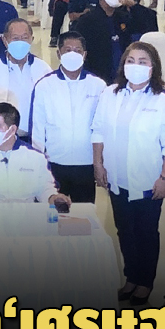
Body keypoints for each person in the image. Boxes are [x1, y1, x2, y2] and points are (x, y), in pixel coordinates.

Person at [92, 41, 165, 305]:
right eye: (131, 60)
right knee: (124, 229)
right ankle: (131, 277)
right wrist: (98, 164)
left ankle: (145, 282)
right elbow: (98, 130)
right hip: (116, 177)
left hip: (148, 180)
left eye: (143, 61)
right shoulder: (110, 94)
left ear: (153, 67)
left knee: (146, 232)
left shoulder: (163, 100)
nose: (136, 66)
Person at [31, 31, 106, 204]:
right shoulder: (44, 85)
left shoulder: (98, 85)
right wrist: (38, 163)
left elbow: (102, 127)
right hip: (54, 162)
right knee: (52, 213)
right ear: (58, 53)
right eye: (67, 50)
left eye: (78, 51)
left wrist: (100, 162)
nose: (73, 54)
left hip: (86, 163)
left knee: (84, 214)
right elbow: (38, 127)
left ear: (84, 55)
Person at [0, 101, 69, 204]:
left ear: (13, 129)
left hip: (24, 216)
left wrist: (53, 198)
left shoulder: (35, 157)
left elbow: (46, 189)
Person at [0, 17, 51, 145]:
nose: (20, 42)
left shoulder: (43, 70)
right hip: (0, 140)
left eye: (25, 38)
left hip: (33, 139)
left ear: (32, 39)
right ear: (5, 40)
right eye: (15, 38)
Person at [69, 0, 134, 82]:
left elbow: (148, 24)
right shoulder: (87, 21)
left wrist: (133, 6)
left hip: (123, 76)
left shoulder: (124, 17)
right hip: (98, 76)